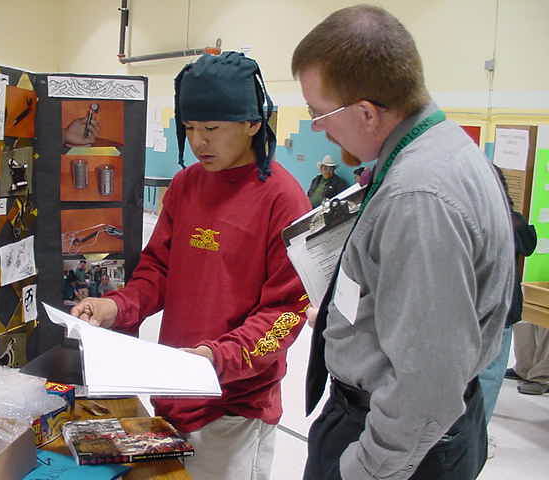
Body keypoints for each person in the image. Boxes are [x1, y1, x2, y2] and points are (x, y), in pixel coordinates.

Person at [293, 5, 514, 480]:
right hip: (407, 429)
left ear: (367, 113)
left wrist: (365, 469)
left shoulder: (418, 197)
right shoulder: (442, 148)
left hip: (393, 446)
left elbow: (428, 384)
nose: (319, 129)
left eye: (319, 114)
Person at [71, 51, 310, 480]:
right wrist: (117, 306)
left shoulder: (283, 200)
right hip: (172, 393)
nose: (199, 142)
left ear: (253, 123)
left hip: (233, 410)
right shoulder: (185, 186)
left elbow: (285, 313)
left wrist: (216, 357)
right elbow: (158, 270)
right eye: (190, 128)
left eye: (212, 129)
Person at [478, 166, 536, 424]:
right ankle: (476, 435)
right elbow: (528, 244)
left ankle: (469, 435)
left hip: (480, 310)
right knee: (489, 376)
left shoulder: (475, 218)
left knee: (480, 376)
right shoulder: (513, 220)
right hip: (500, 310)